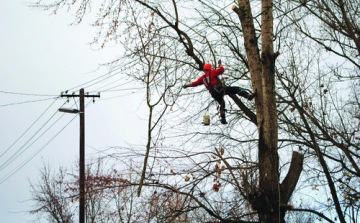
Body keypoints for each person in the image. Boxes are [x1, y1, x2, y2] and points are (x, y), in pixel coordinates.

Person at [182, 61, 256, 124]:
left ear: (204, 69)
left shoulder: (202, 78)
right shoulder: (212, 72)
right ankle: (248, 96)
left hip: (213, 94)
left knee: (222, 104)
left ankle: (223, 119)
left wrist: (187, 85)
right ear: (209, 69)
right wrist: (220, 63)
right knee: (236, 89)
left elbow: (195, 83)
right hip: (219, 89)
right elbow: (221, 70)